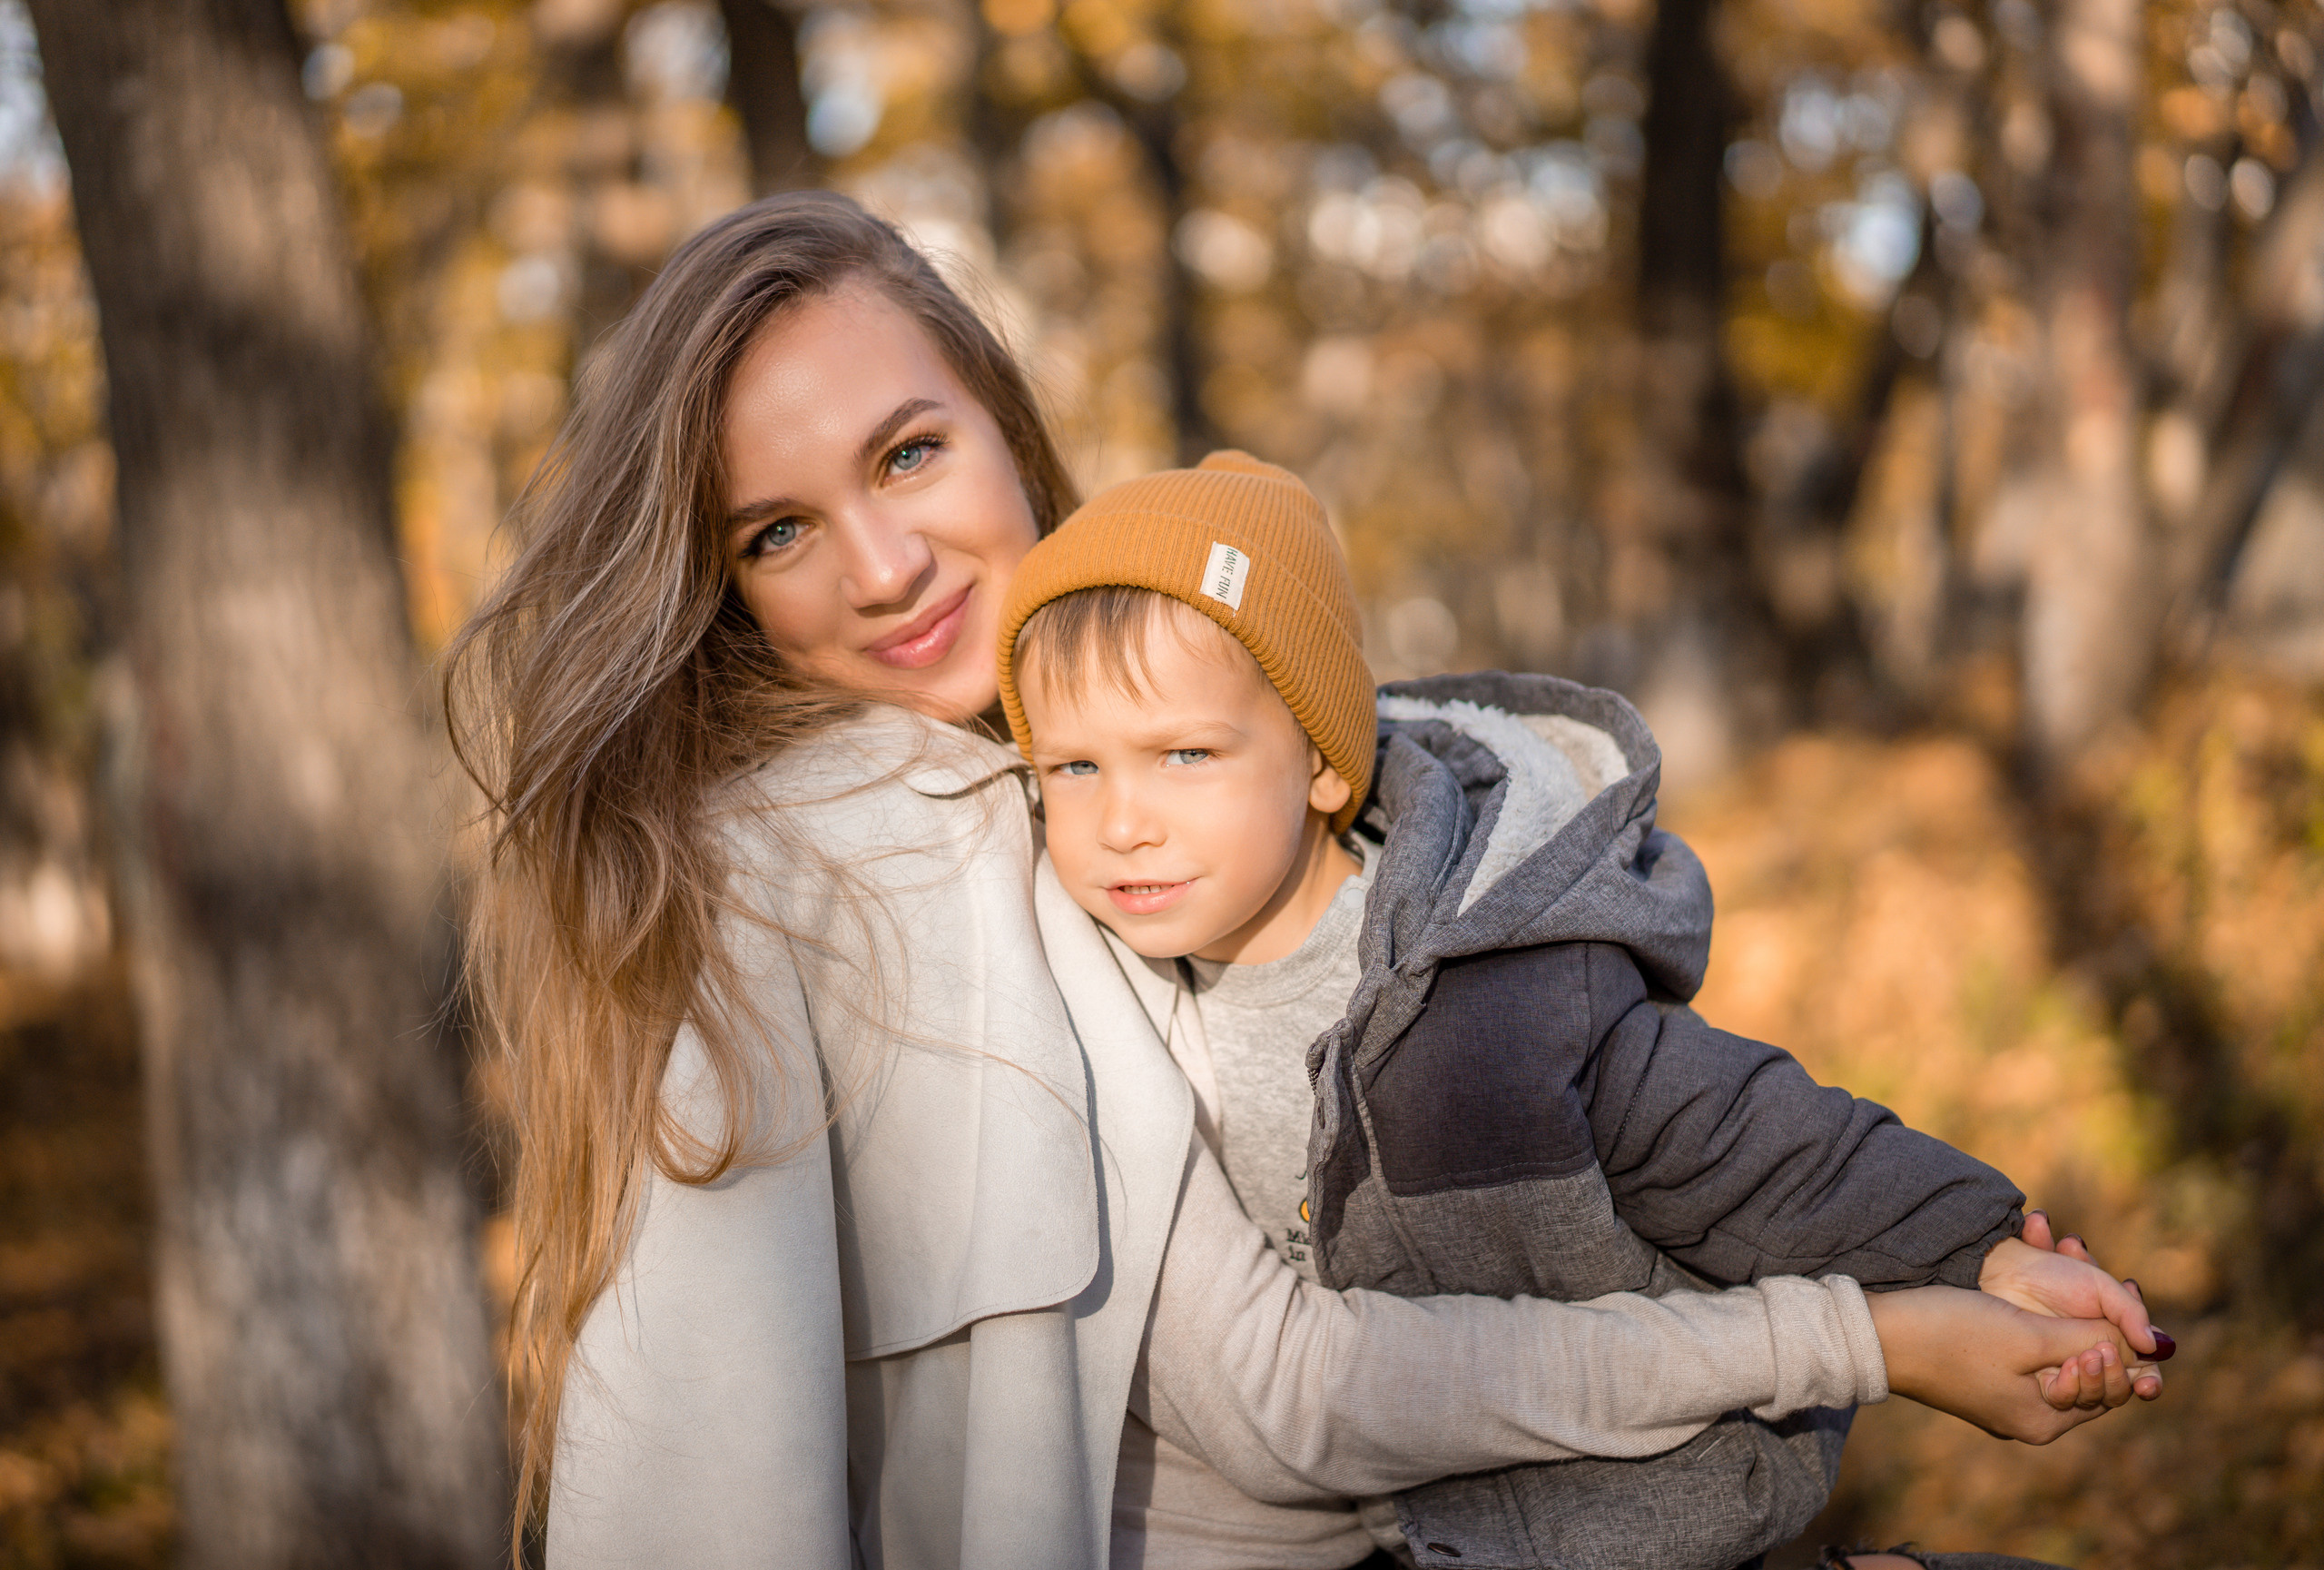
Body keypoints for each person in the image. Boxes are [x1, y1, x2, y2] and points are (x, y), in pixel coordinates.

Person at [444, 191, 2153, 1570]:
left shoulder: (1141, 774)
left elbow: (1667, 1109)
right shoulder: (870, 857)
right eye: (778, 530)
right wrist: (1868, 1334)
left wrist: (1956, 1246)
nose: (885, 567)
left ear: (1009, 434)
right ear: (722, 585)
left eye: (907, 455)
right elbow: (1285, 1406)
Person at [998, 451, 2172, 1569]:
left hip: (1653, 1508)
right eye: (1074, 767)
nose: (1121, 820)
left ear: (1321, 760)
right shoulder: (1125, 991)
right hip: (1435, 1517)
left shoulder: (1492, 991)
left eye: (1185, 754)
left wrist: (1977, 1251)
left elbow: (1751, 1142)